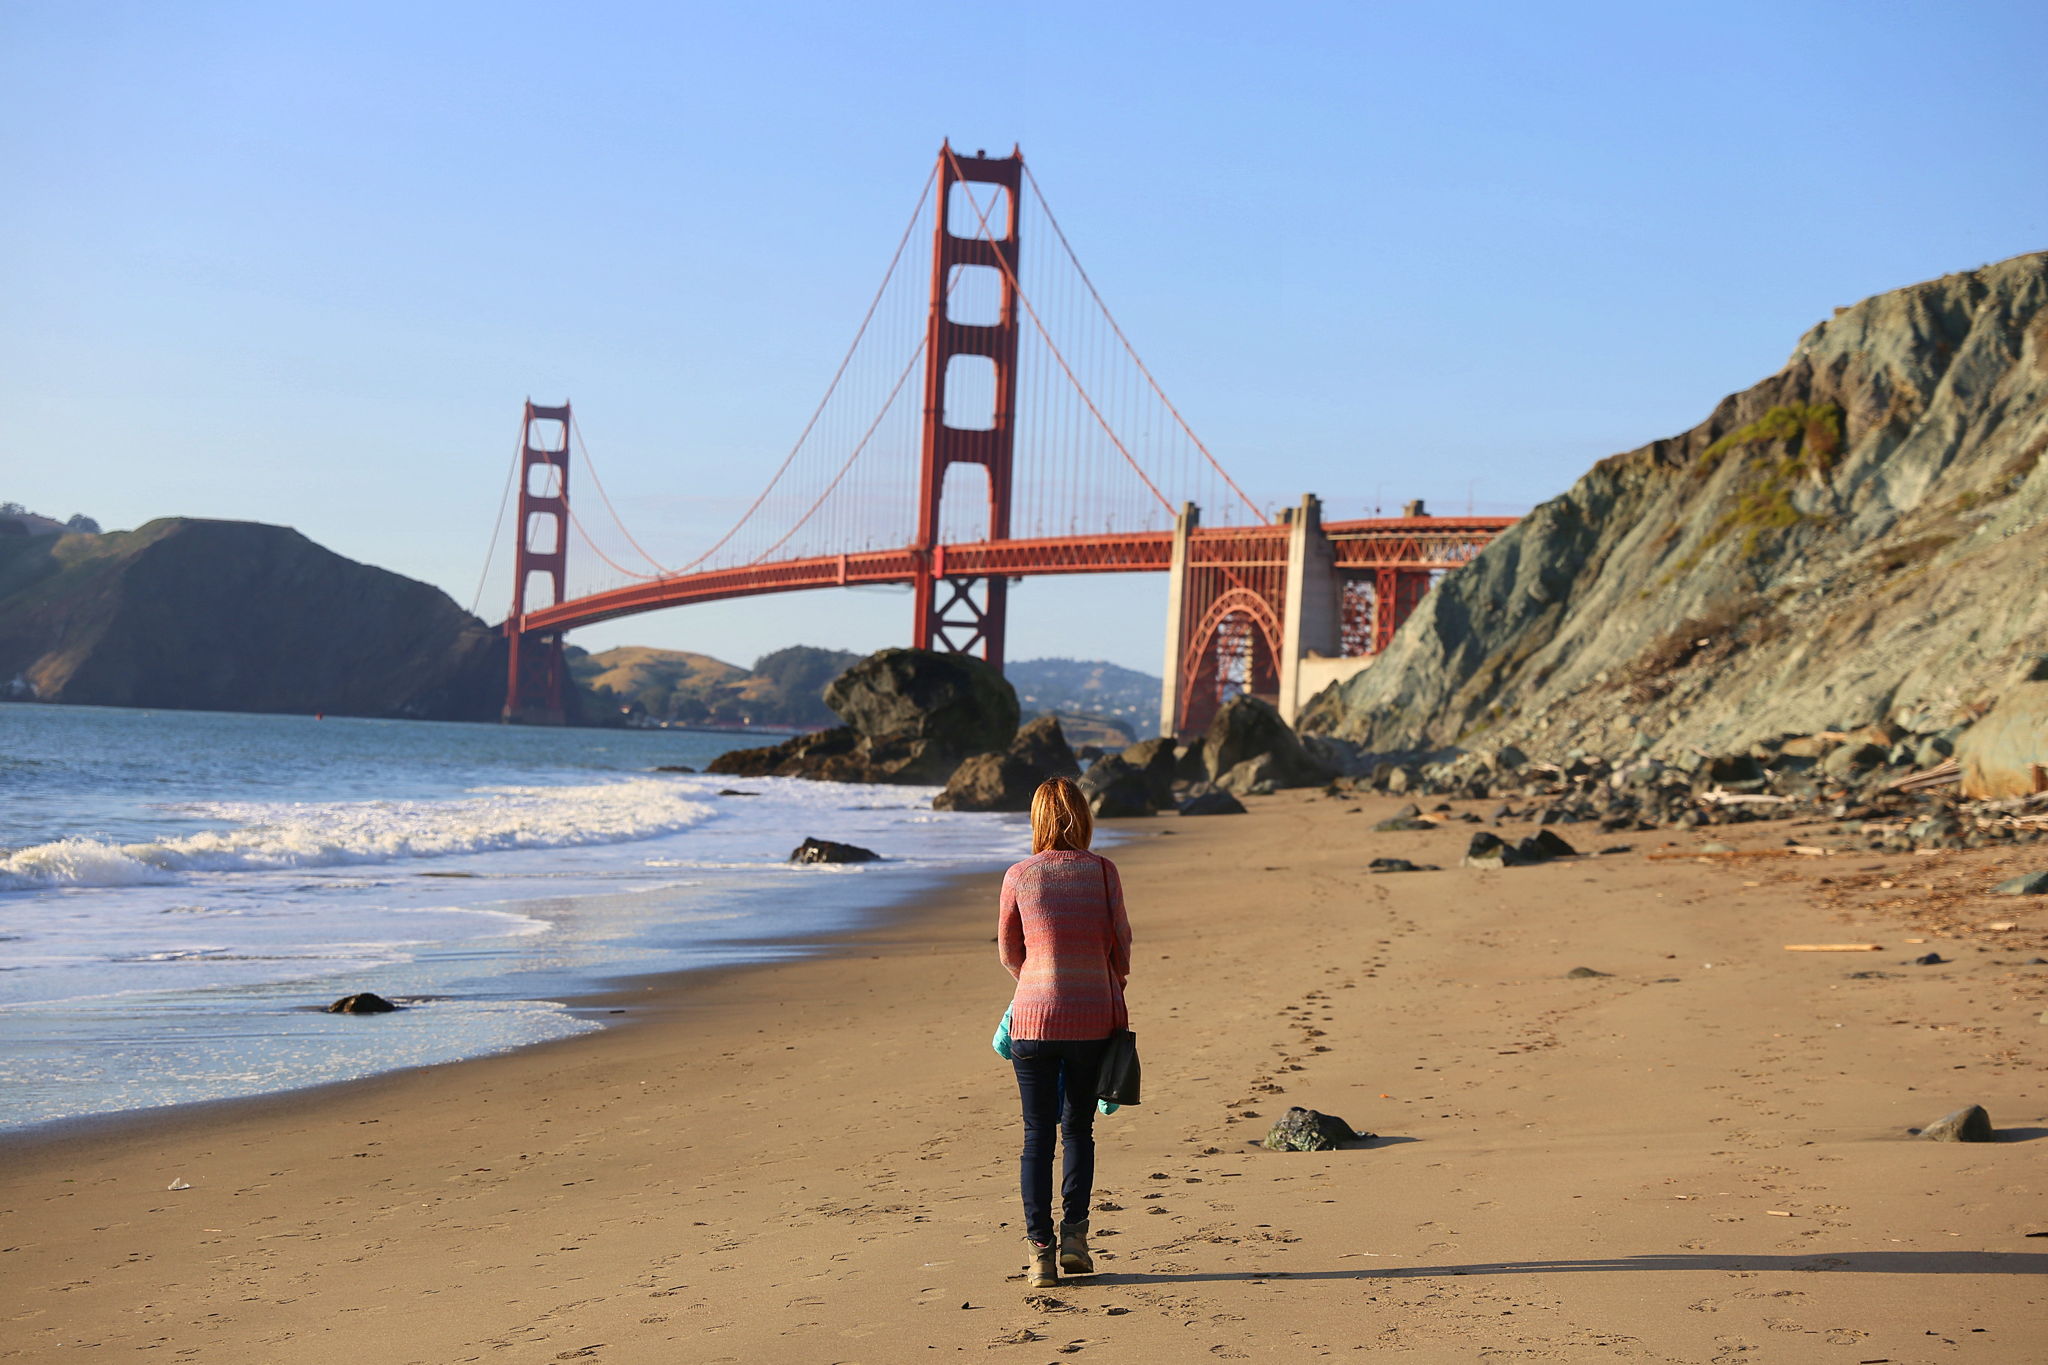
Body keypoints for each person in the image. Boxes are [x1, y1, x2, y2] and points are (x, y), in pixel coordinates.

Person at [998, 775, 1132, 1289]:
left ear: (1036, 820)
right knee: (1078, 1129)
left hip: (1033, 1019)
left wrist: (1036, 982)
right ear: (1084, 815)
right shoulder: (1103, 873)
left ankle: (1040, 1254)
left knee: (1037, 1136)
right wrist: (1102, 979)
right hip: (1092, 1017)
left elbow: (1010, 951)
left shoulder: (1019, 875)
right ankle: (1075, 1237)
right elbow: (1121, 944)